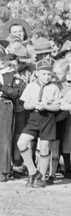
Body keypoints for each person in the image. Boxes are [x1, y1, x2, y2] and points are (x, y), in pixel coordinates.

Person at [17, 56, 62, 188]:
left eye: (49, 74)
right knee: (21, 143)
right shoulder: (30, 86)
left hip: (48, 119)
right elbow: (24, 104)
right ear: (36, 73)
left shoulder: (54, 88)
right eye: (44, 74)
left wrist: (46, 106)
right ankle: (32, 171)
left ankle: (41, 177)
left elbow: (58, 106)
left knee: (44, 147)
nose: (47, 77)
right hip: (34, 118)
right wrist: (33, 104)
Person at [0, 43, 32, 181]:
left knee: (5, 138)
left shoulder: (13, 75)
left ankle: (4, 170)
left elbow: (17, 92)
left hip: (5, 106)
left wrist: (2, 88)